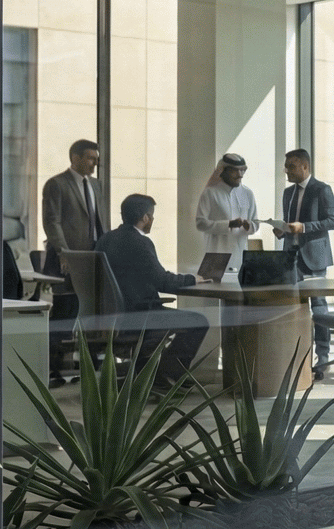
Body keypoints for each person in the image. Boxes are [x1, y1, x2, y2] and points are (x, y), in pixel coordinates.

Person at [94, 194, 212, 385]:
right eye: (152, 216)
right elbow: (162, 281)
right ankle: (165, 375)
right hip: (139, 313)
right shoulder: (140, 243)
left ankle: (156, 373)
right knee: (198, 321)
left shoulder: (105, 240)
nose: (152, 220)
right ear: (145, 218)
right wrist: (192, 279)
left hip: (111, 315)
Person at [41, 139, 109, 380]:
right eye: (90, 158)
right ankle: (52, 367)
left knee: (92, 312)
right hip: (67, 258)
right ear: (75, 157)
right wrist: (63, 253)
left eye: (96, 159)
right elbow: (52, 221)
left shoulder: (96, 185)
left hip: (93, 257)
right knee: (65, 311)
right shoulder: (56, 184)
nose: (94, 163)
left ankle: (89, 365)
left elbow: (101, 221)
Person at [272, 148, 334, 377]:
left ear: (305, 167)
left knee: (318, 306)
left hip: (314, 257)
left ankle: (323, 356)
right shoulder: (287, 193)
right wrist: (282, 230)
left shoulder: (322, 190)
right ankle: (297, 356)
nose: (287, 171)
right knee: (293, 307)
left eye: (291, 166)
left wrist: (305, 227)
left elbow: (333, 221)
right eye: (286, 166)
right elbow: (291, 224)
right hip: (291, 257)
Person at [193, 152, 258, 274]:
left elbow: (255, 223)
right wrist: (228, 224)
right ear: (223, 171)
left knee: (239, 291)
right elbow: (200, 223)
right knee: (215, 291)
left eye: (242, 170)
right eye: (235, 170)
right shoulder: (210, 193)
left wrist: (249, 226)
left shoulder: (248, 193)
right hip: (216, 254)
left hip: (240, 255)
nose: (240, 175)